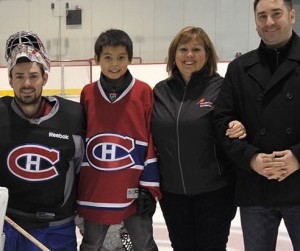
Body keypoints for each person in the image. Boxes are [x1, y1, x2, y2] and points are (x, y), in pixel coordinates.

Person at [213, 0, 300, 250]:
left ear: (292, 16)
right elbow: (221, 121)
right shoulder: (239, 68)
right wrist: (252, 159)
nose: (269, 22)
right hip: (256, 188)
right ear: (255, 23)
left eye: (276, 14)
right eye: (262, 16)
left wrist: (297, 156)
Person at [151, 26, 246, 251]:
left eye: (196, 49)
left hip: (215, 193)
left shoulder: (221, 88)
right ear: (174, 55)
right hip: (173, 194)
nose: (189, 55)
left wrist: (240, 125)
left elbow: (239, 120)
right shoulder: (160, 92)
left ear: (208, 54)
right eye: (183, 49)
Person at [77, 28, 161, 251]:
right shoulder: (87, 93)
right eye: (107, 58)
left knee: (143, 243)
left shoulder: (143, 92)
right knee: (91, 243)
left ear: (130, 59)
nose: (114, 64)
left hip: (133, 189)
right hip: (96, 190)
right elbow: (81, 144)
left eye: (121, 57)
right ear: (97, 60)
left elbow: (151, 141)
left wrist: (149, 188)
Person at [0, 31, 85, 251]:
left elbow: (82, 170)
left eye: (33, 76)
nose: (26, 83)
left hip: (56, 229)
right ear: (10, 79)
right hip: (9, 226)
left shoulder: (73, 116)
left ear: (45, 77)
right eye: (19, 76)